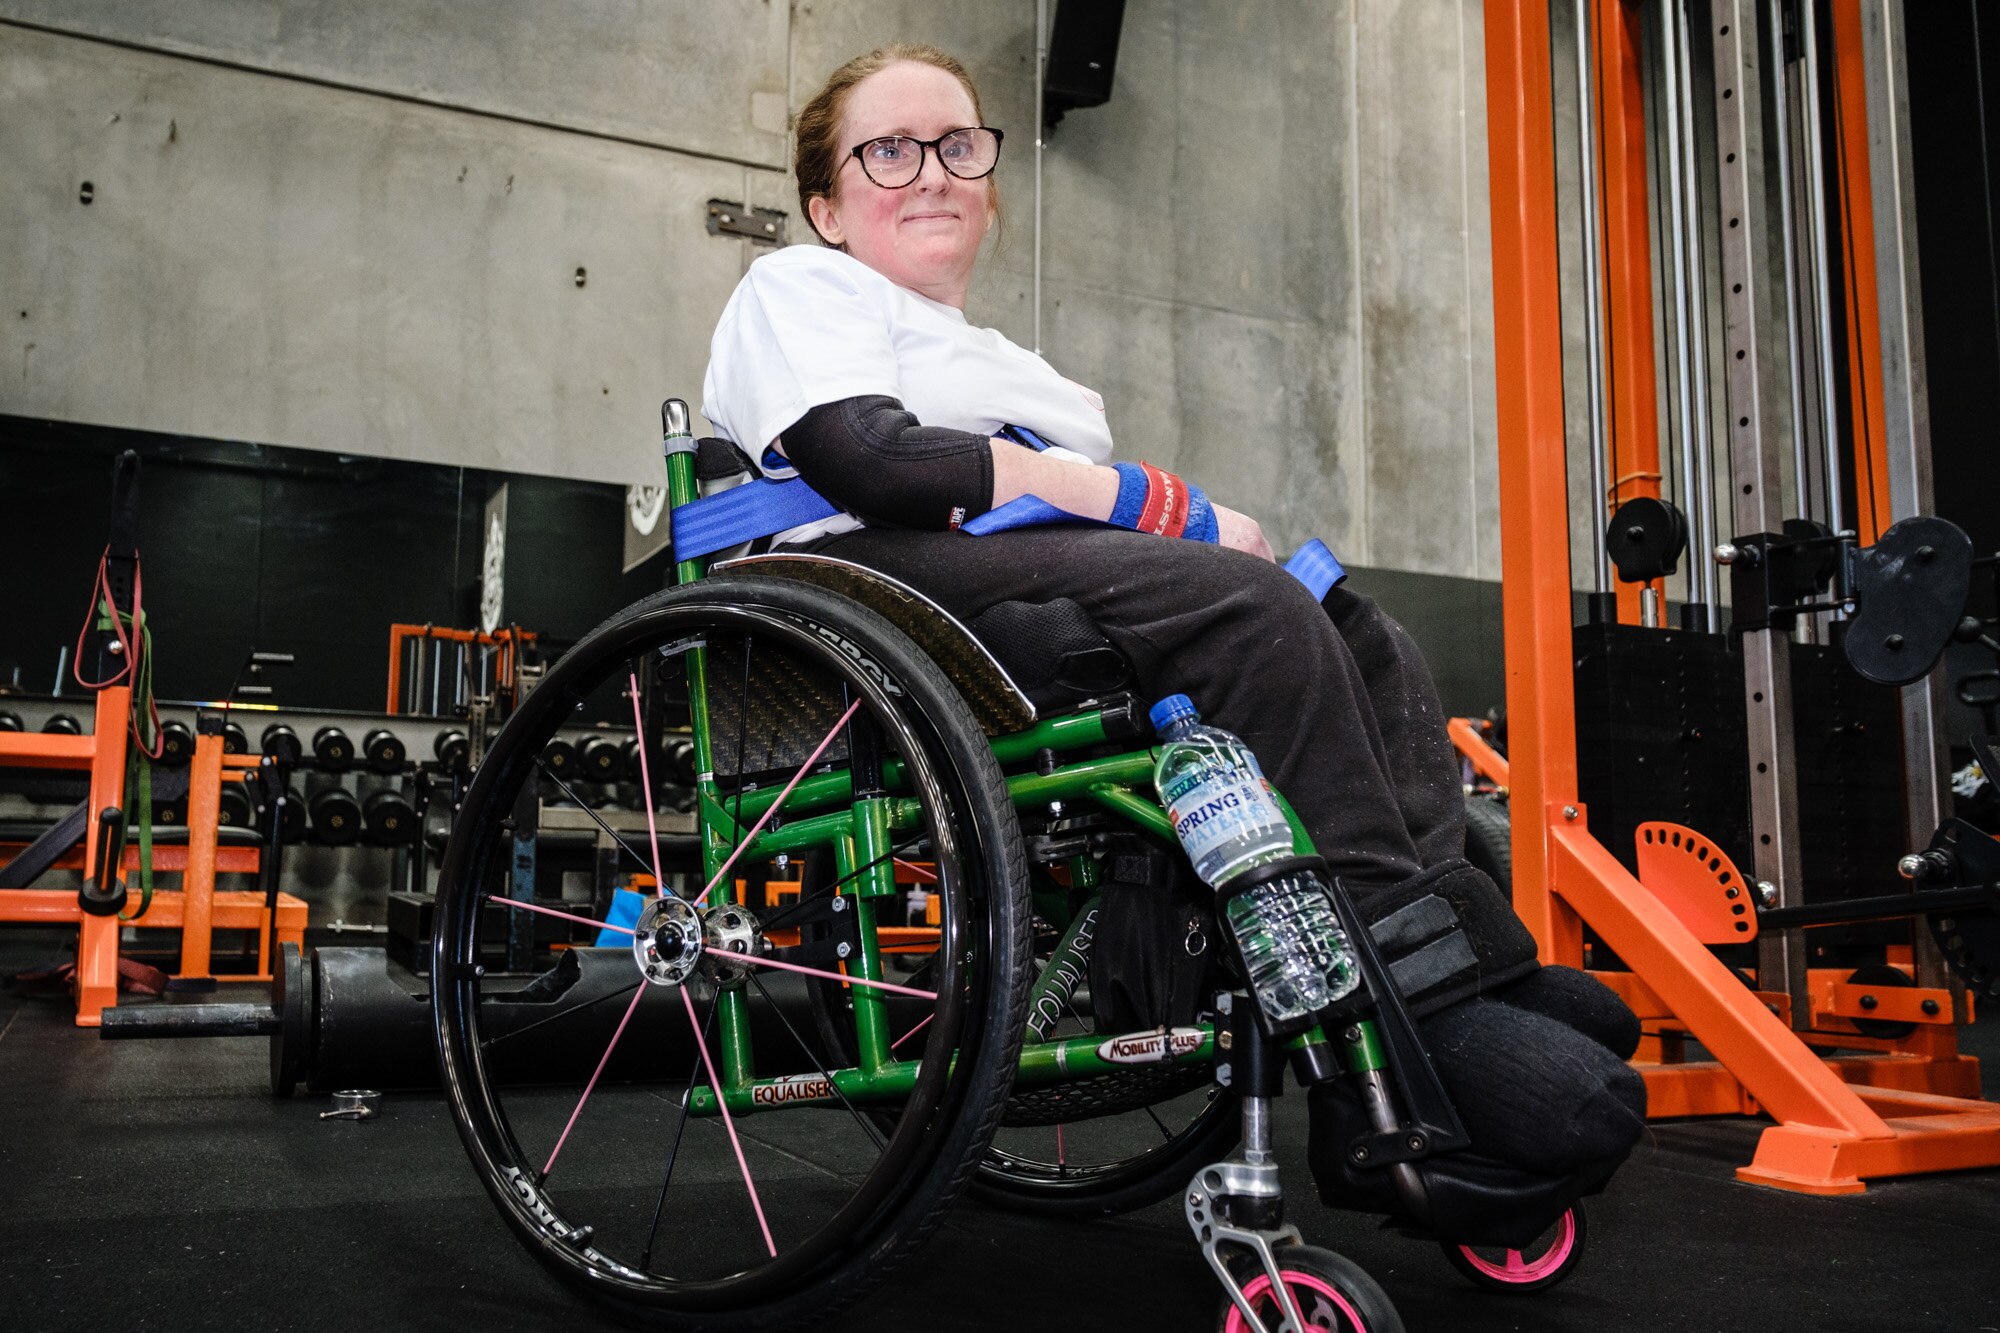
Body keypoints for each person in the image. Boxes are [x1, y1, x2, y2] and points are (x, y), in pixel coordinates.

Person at [701, 43, 1644, 1187]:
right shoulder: (802, 286)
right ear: (825, 206)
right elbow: (871, 460)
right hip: (866, 589)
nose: (933, 171)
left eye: (957, 145)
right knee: (1250, 611)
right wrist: (1156, 504)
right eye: (888, 151)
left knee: (1354, 629)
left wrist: (1164, 521)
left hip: (1005, 579)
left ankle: (1452, 962)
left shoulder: (1002, 359)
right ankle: (1411, 1014)